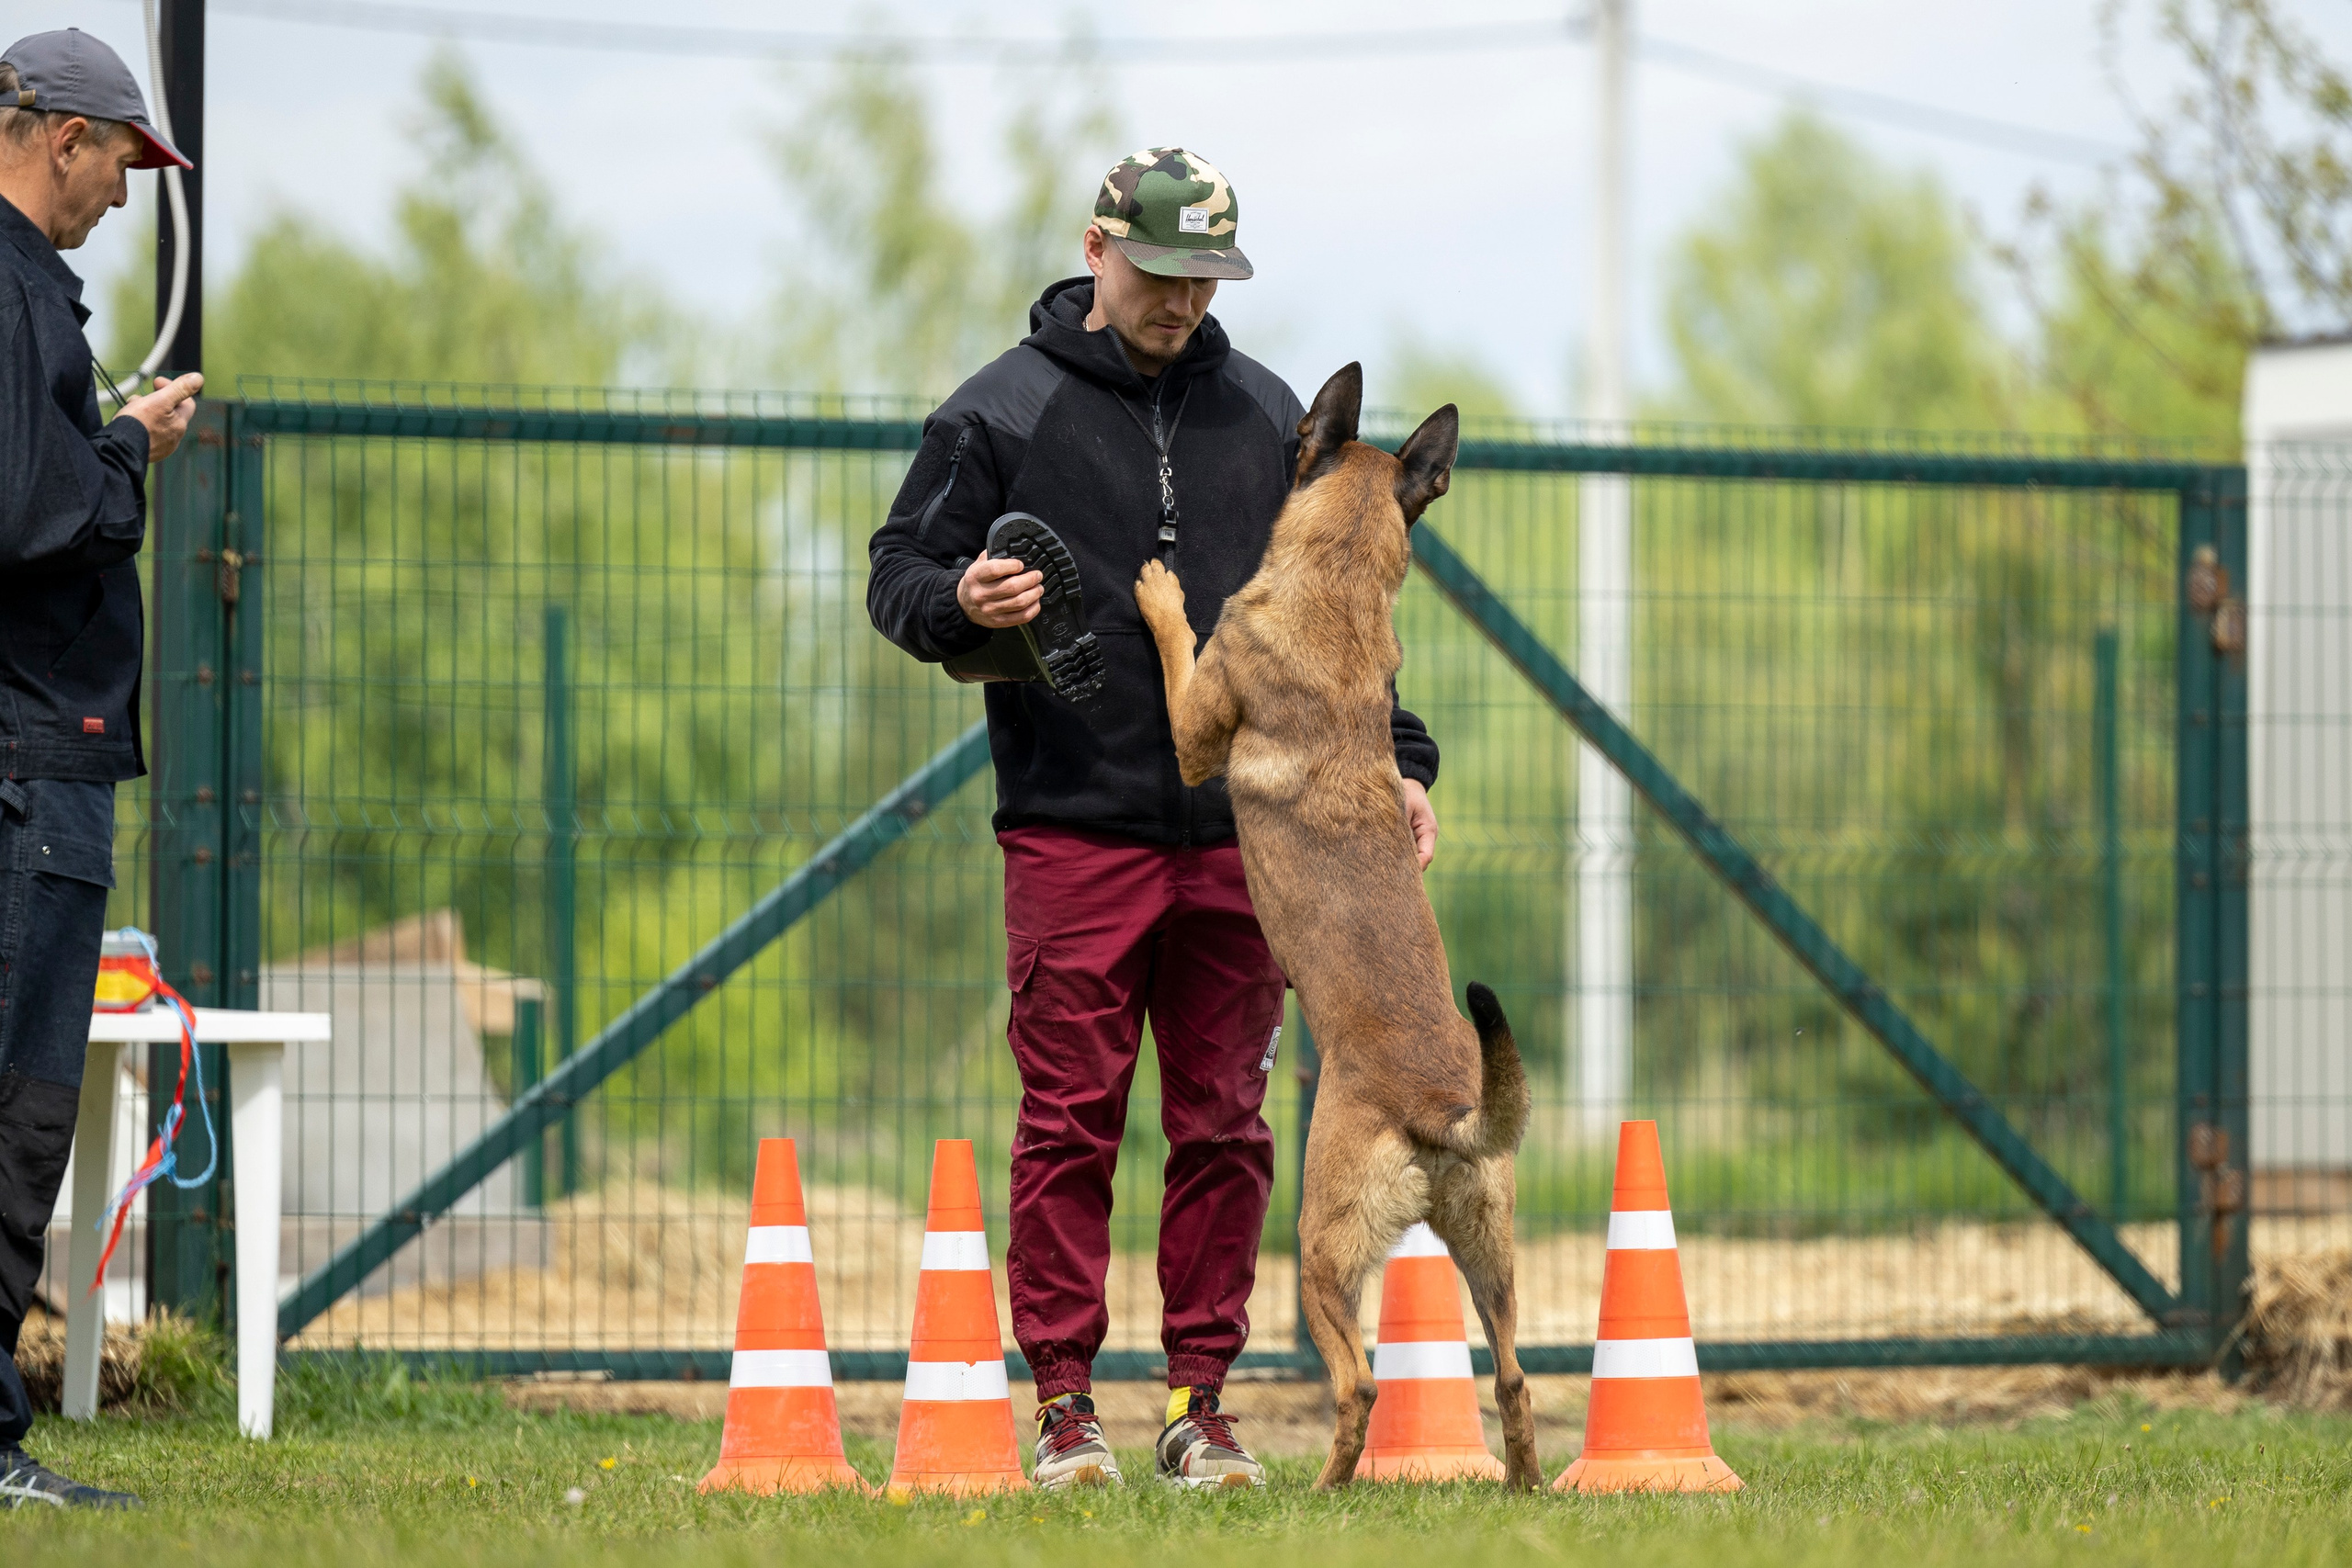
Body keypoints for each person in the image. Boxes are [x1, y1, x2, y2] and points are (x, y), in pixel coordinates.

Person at [868, 147, 1441, 1489]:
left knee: (1227, 1128)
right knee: (1069, 1119)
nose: (1186, 300)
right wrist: (964, 606)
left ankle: (1201, 1405)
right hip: (1072, 826)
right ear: (1097, 249)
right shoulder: (998, 414)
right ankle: (1067, 1409)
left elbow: (1341, 610)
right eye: (1164, 271)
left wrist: (1402, 758)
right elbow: (898, 576)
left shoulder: (1268, 415)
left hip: (1252, 842)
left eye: (1209, 277)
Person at [0, 27, 201, 1511]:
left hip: (29, 757)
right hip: (26, 768)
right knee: (18, 1112)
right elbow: (34, 510)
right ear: (61, 135)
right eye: (121, 164)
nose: (127, 197)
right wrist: (126, 449)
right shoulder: (16, 298)